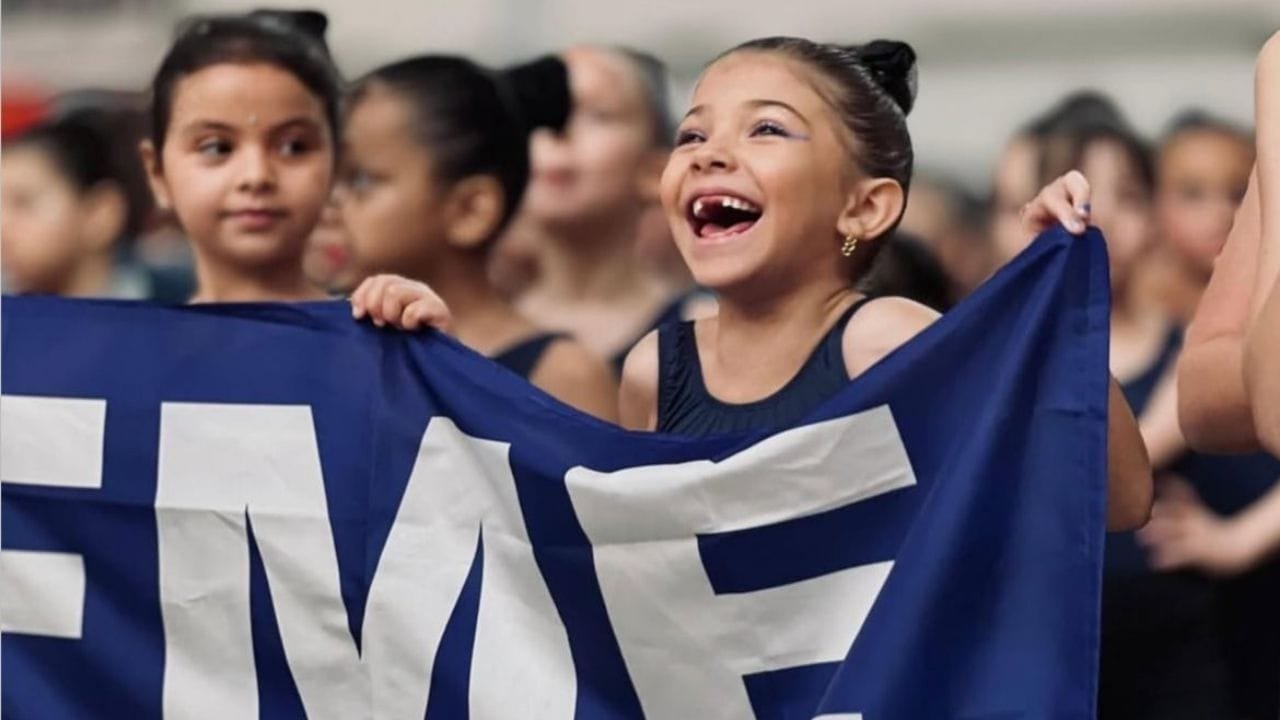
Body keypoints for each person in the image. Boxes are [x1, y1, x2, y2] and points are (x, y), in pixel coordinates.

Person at [354, 37, 1152, 531]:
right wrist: (444, 366)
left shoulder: (891, 339)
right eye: (691, 133)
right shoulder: (650, 371)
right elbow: (591, 555)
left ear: (865, 205)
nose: (708, 152)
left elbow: (1115, 502)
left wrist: (1045, 312)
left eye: (766, 128)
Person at [340, 54, 617, 419]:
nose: (328, 203)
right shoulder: (324, 343)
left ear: (470, 210)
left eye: (360, 181)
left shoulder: (560, 375)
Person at [490, 45, 708, 370]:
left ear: (655, 171)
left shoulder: (706, 336)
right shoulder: (464, 335)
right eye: (542, 112)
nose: (557, 132)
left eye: (598, 115)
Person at [137, 11, 341, 303]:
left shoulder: (384, 341)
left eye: (293, 146)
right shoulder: (131, 345)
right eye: (216, 148)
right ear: (157, 173)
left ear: (337, 161)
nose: (256, 176)